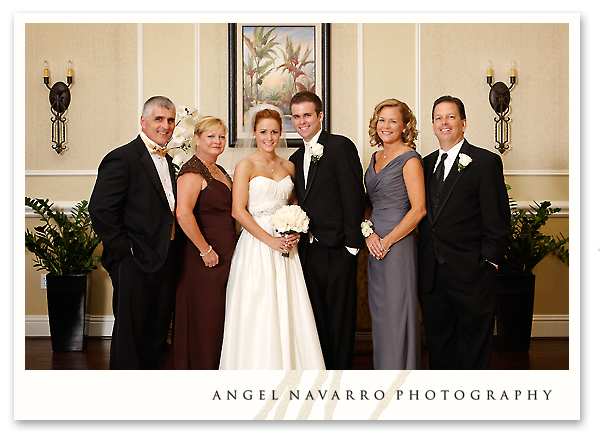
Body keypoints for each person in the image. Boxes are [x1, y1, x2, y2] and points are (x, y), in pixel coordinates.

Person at [219, 105, 325, 370]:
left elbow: (296, 206)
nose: (269, 137)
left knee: (289, 306)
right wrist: (270, 240)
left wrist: (294, 231)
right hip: (257, 245)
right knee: (259, 306)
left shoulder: (289, 166)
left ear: (281, 134)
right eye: (263, 131)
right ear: (254, 132)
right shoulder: (245, 165)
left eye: (275, 132)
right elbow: (237, 211)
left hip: (286, 246)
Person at [418, 95, 510, 370]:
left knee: (473, 346)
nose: (444, 122)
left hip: (472, 272)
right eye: (438, 118)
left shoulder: (484, 162)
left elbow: (498, 219)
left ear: (463, 123)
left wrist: (489, 262)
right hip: (432, 273)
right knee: (439, 345)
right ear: (433, 125)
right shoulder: (423, 164)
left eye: (450, 117)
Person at [89, 96, 178, 369]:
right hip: (134, 261)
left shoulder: (168, 160)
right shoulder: (122, 157)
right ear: (143, 121)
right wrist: (126, 252)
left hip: (166, 258)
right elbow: (101, 210)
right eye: (159, 119)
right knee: (131, 333)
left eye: (170, 120)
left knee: (157, 330)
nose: (165, 125)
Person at [288, 91, 365, 370]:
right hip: (307, 251)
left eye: (307, 115)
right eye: (296, 116)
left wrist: (351, 247)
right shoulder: (295, 158)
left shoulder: (340, 146)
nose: (301, 121)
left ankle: (340, 380)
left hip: (338, 249)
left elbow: (353, 195)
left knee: (340, 321)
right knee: (315, 320)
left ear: (320, 116)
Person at [363, 99, 426, 370]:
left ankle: (401, 374)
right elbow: (367, 203)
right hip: (375, 242)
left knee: (398, 310)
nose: (385, 126)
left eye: (392, 120)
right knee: (380, 312)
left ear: (404, 125)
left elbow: (419, 210)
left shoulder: (410, 159)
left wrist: (387, 240)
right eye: (381, 120)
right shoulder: (375, 157)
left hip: (397, 244)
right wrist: (369, 234)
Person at [171, 116, 236, 370]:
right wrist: (205, 249)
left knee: (218, 316)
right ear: (196, 140)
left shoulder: (218, 170)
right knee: (205, 316)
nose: (217, 141)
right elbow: (183, 214)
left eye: (221, 136)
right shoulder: (192, 171)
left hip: (225, 254)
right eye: (211, 136)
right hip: (203, 258)